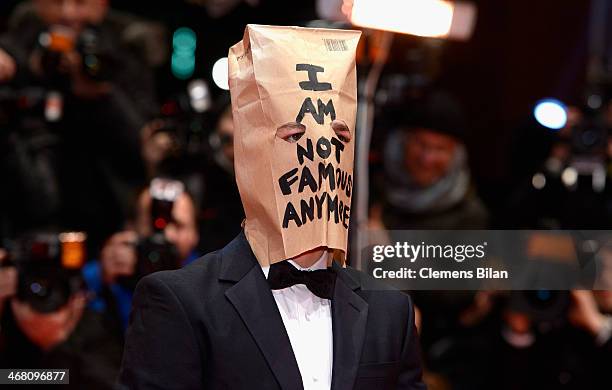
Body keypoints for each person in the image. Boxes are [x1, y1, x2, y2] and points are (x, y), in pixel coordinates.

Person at [118, 25, 425, 389]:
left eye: (339, 136)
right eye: (294, 136)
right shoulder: (181, 302)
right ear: (249, 149)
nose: (321, 152)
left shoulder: (390, 312)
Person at [372, 90, 488, 230]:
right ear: (401, 143)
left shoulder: (469, 217)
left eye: (440, 149)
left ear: (456, 155)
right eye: (421, 144)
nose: (427, 159)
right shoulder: (367, 192)